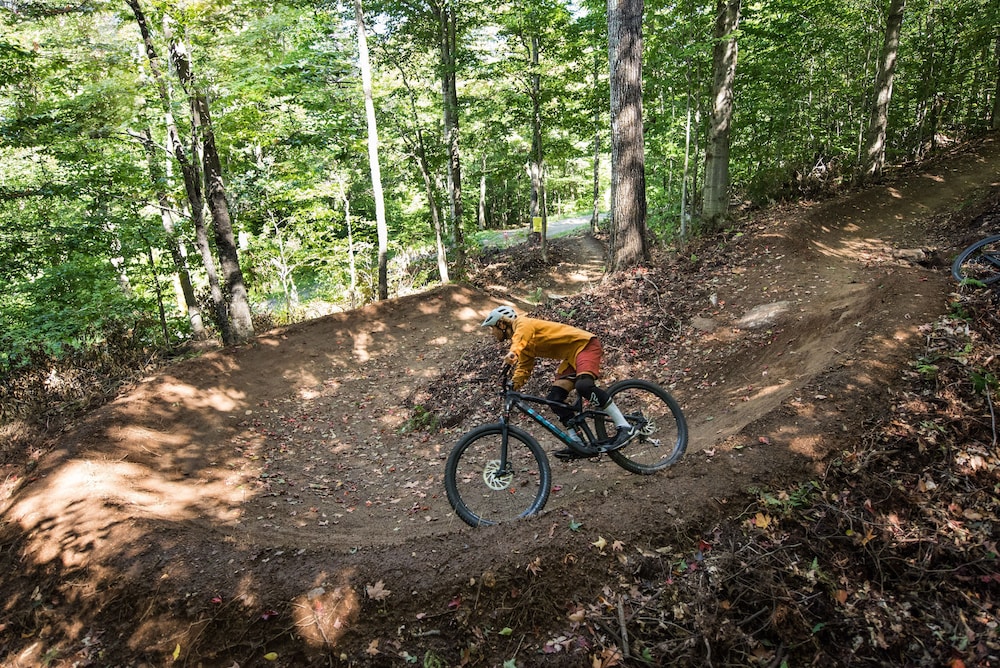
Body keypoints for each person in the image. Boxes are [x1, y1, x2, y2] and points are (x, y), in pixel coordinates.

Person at [480, 305, 637, 457]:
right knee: (554, 399)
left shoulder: (523, 324)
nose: (492, 333)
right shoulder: (524, 345)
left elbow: (520, 338)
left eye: (492, 328)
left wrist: (513, 353)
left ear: (501, 323)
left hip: (585, 346)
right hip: (571, 357)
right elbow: (524, 367)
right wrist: (514, 383)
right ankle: (577, 442)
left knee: (584, 386)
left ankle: (624, 426)